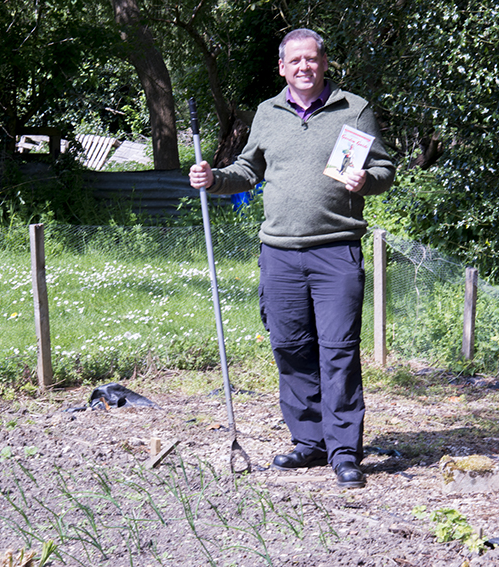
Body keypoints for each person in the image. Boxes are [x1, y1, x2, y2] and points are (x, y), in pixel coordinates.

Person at [189, 28, 395, 488]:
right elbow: (248, 169)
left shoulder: (353, 109)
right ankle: (310, 442)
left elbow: (383, 169)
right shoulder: (268, 113)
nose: (304, 67)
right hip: (279, 253)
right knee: (290, 348)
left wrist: (366, 180)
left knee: (338, 352)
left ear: (324, 63)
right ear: (282, 67)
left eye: (312, 59)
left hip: (335, 250)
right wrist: (213, 178)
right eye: (294, 60)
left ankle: (344, 451)